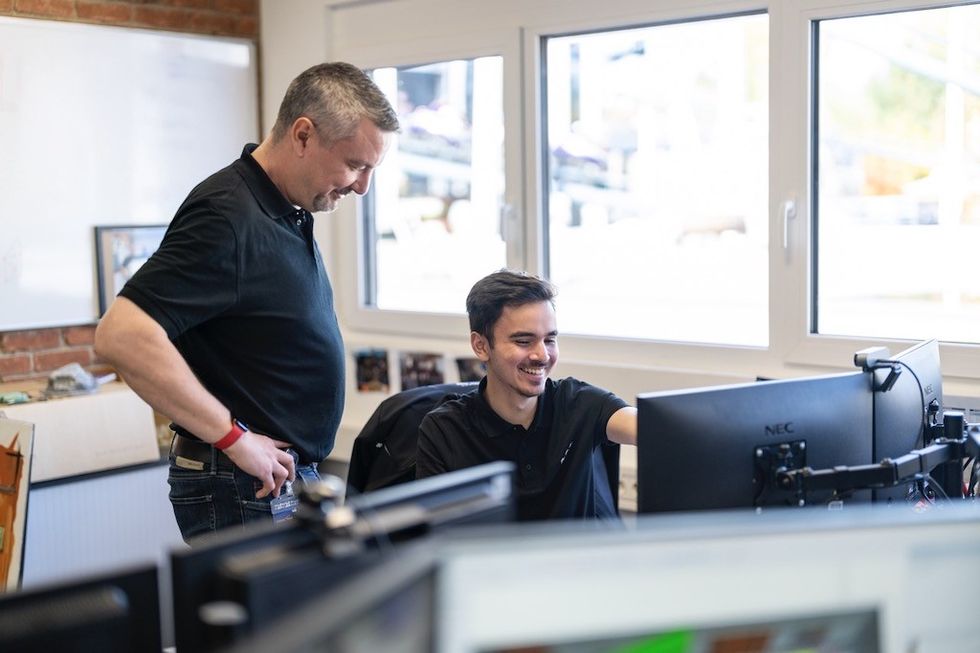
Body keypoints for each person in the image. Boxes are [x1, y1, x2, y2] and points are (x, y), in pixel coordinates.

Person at [94, 62, 399, 542]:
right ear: (303, 136)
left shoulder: (283, 209)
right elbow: (122, 335)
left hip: (270, 474)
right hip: (242, 480)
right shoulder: (227, 216)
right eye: (356, 165)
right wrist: (234, 438)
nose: (361, 186)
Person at [416, 269, 637, 521]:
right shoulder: (443, 431)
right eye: (523, 341)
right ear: (481, 345)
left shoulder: (577, 402)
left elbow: (647, 427)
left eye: (550, 340)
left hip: (575, 560)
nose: (542, 355)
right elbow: (435, 541)